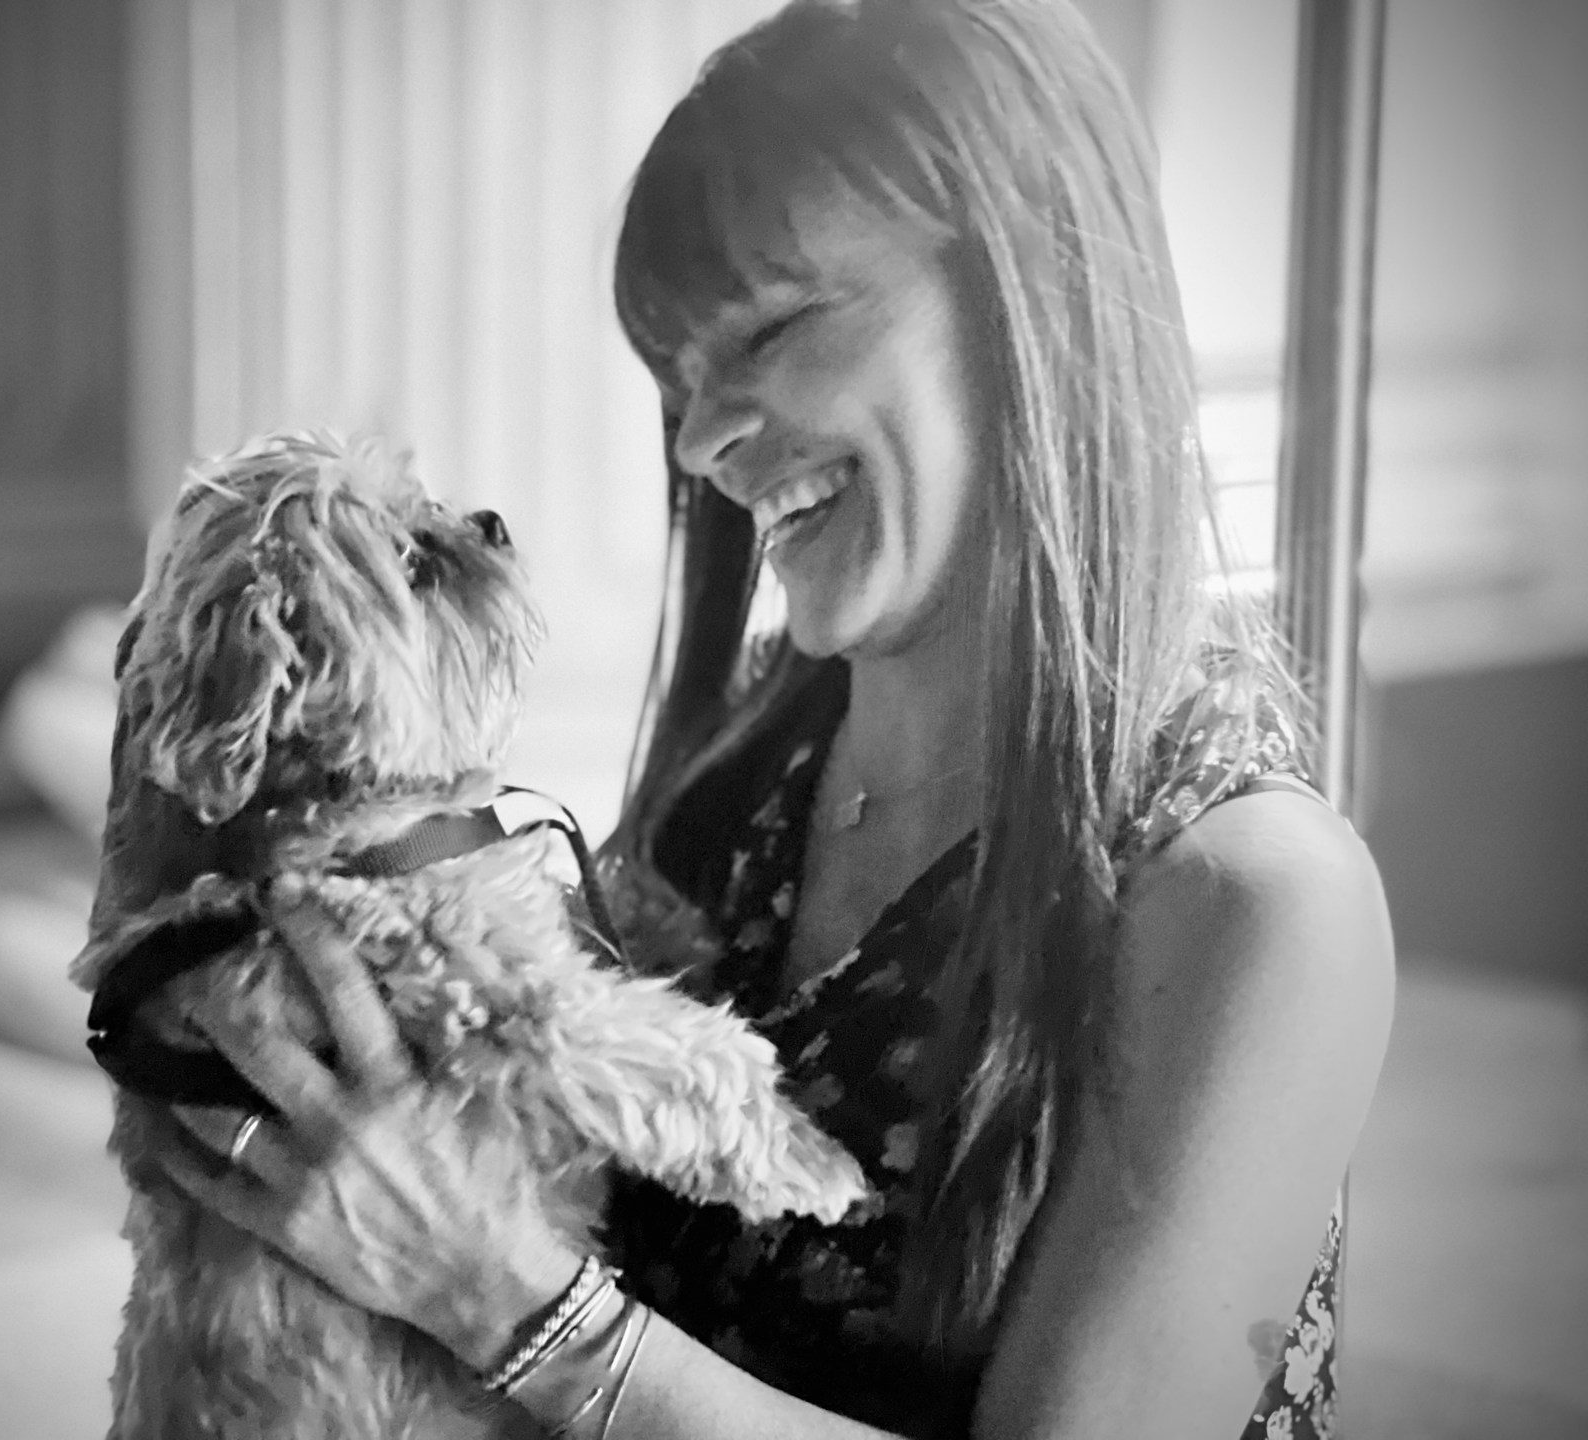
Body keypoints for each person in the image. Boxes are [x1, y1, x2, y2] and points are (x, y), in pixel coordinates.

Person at [143, 1, 1396, 1435]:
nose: (698, 439)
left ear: (1032, 296)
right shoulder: (748, 755)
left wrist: (502, 1299)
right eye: (679, 377)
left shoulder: (1251, 899)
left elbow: (492, 1262)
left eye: (780, 329)